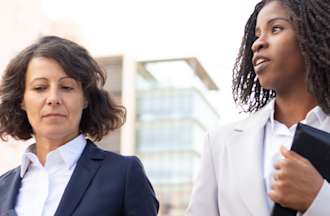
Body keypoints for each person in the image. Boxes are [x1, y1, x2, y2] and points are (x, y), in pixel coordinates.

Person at [187, 0, 330, 215]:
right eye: (257, 34)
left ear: (314, 35)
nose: (257, 43)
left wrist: (319, 198)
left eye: (276, 28)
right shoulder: (220, 142)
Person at [0, 36, 159, 216]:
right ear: (21, 100)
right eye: (40, 87)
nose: (53, 98)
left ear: (85, 98)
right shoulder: (2, 189)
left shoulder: (124, 175)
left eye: (67, 87)